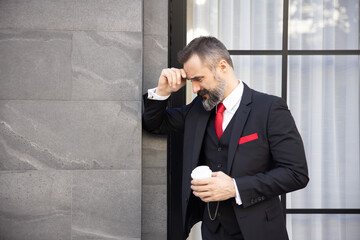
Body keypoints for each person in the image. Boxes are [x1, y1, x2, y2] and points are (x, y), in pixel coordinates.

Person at [143, 36, 309, 240]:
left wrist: (235, 187)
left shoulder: (269, 109)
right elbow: (155, 124)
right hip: (213, 231)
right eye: (191, 81)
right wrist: (162, 91)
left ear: (222, 67)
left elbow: (296, 173)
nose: (194, 89)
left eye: (198, 79)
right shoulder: (198, 110)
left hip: (259, 231)